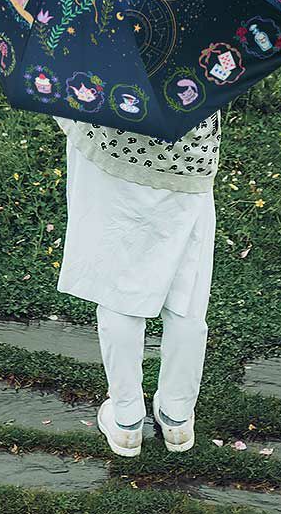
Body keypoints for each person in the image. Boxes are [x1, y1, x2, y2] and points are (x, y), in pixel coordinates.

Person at [52, 109, 222, 457]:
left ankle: (127, 419)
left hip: (114, 145)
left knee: (118, 289)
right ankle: (177, 416)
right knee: (187, 293)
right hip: (187, 159)